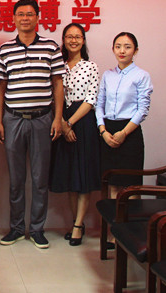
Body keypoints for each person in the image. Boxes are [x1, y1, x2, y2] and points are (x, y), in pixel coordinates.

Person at [0, 0, 65, 249]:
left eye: (30, 14)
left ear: (38, 18)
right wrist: (0, 122)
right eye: (20, 14)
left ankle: (37, 229)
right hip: (13, 119)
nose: (25, 18)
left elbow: (58, 84)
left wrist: (57, 118)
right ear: (13, 18)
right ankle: (15, 228)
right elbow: (0, 88)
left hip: (42, 119)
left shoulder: (51, 47)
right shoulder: (4, 49)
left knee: (39, 178)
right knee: (16, 179)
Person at [49, 23, 101, 246]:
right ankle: (74, 221)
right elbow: (52, 95)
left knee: (83, 176)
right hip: (60, 119)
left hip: (83, 122)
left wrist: (69, 123)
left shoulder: (91, 67)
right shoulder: (57, 65)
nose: (73, 40)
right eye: (69, 37)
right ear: (63, 40)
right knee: (70, 175)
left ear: (83, 40)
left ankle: (79, 225)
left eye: (77, 37)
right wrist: (61, 122)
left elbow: (91, 99)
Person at [96, 32, 153, 209]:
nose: (122, 51)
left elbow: (142, 110)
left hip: (129, 132)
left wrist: (124, 133)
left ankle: (131, 224)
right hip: (107, 131)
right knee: (112, 184)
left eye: (127, 47)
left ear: (135, 51)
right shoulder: (108, 75)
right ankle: (114, 225)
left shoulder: (142, 75)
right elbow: (99, 105)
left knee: (131, 186)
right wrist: (103, 131)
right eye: (118, 46)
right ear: (113, 49)